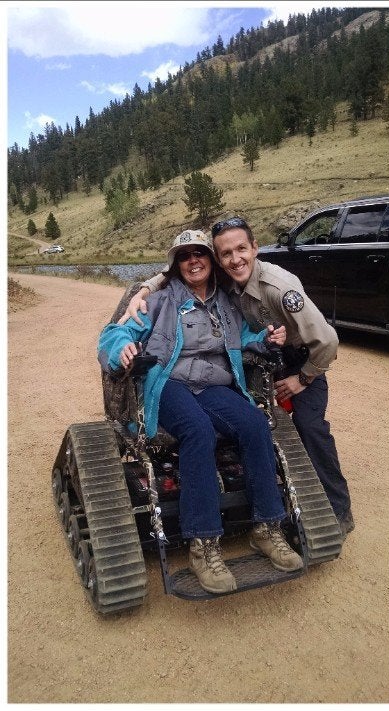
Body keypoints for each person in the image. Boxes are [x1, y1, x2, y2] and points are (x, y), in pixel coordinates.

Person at [118, 219, 354, 539]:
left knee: (295, 427)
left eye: (241, 249)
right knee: (202, 428)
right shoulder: (182, 294)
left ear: (254, 248)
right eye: (226, 253)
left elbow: (322, 342)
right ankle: (205, 535)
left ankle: (316, 512)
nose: (234, 258)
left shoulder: (263, 289)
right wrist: (141, 295)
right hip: (200, 375)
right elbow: (119, 332)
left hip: (303, 361)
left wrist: (293, 367)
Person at [98, 229, 303, 595]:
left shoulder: (224, 303)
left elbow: (244, 338)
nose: (194, 260)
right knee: (198, 431)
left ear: (211, 261)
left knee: (256, 424)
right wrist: (123, 348)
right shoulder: (158, 301)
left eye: (200, 254)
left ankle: (267, 527)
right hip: (169, 383)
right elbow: (113, 333)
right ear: (176, 265)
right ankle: (203, 543)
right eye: (184, 255)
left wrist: (266, 338)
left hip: (213, 385)